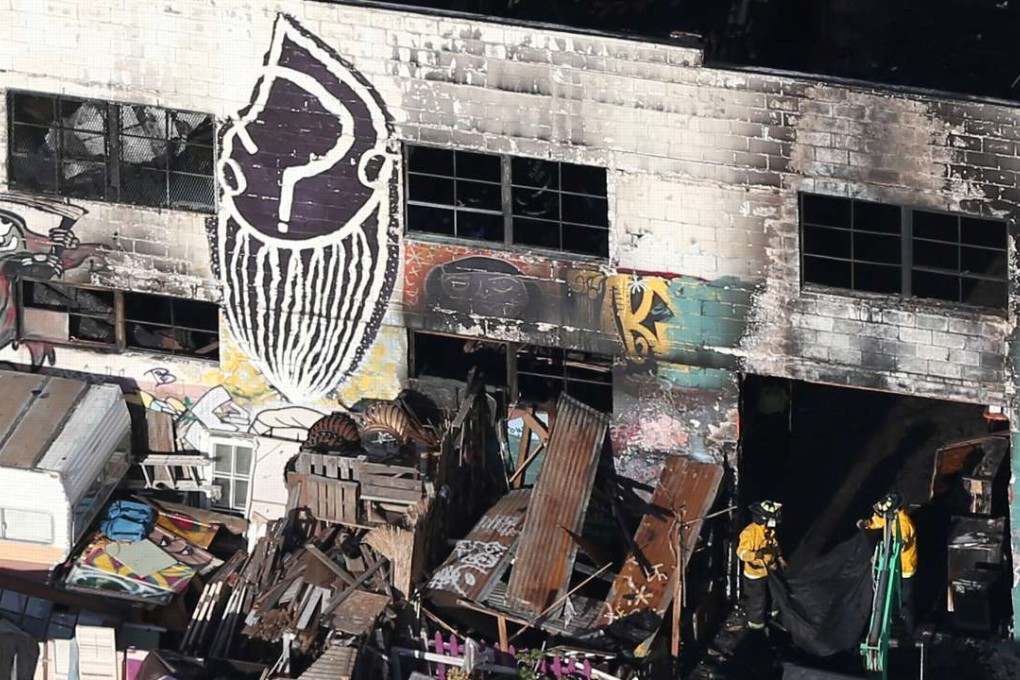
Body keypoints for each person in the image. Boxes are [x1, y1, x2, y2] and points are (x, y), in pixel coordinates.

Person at [857, 491, 916, 637]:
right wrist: (868, 524)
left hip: (905, 569)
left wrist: (895, 547)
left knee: (905, 601)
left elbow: (903, 542)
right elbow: (880, 521)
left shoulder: (903, 523)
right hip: (894, 566)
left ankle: (910, 630)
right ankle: (896, 621)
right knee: (895, 599)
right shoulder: (892, 517)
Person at [737, 500, 785, 630]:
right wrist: (754, 555)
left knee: (775, 593)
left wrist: (780, 559)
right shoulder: (749, 533)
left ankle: (774, 616)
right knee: (758, 601)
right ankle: (756, 626)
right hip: (755, 575)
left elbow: (774, 545)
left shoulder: (769, 532)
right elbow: (741, 553)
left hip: (770, 570)